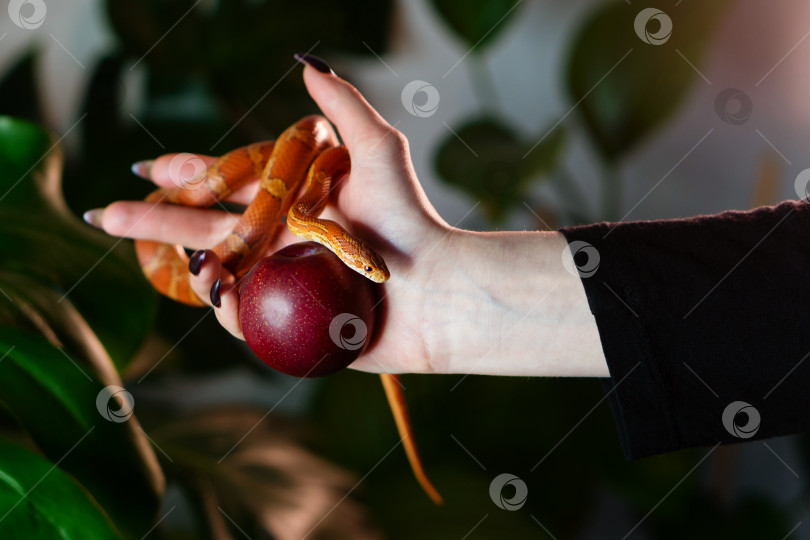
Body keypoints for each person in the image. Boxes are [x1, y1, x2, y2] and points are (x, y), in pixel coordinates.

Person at [84, 54, 810, 460]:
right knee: (190, 202)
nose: (375, 268)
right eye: (371, 265)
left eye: (370, 266)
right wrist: (450, 286)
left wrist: (441, 296)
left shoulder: (320, 231)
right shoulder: (310, 225)